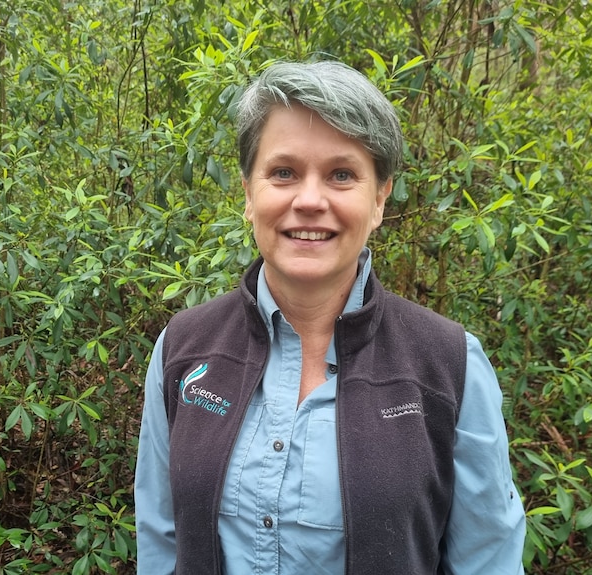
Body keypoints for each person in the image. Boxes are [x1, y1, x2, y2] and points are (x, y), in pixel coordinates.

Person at [134, 60, 526, 575]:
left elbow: (488, 561)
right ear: (250, 194)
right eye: (283, 173)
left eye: (342, 174)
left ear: (380, 198)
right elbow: (161, 544)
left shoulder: (449, 365)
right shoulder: (184, 349)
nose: (310, 200)